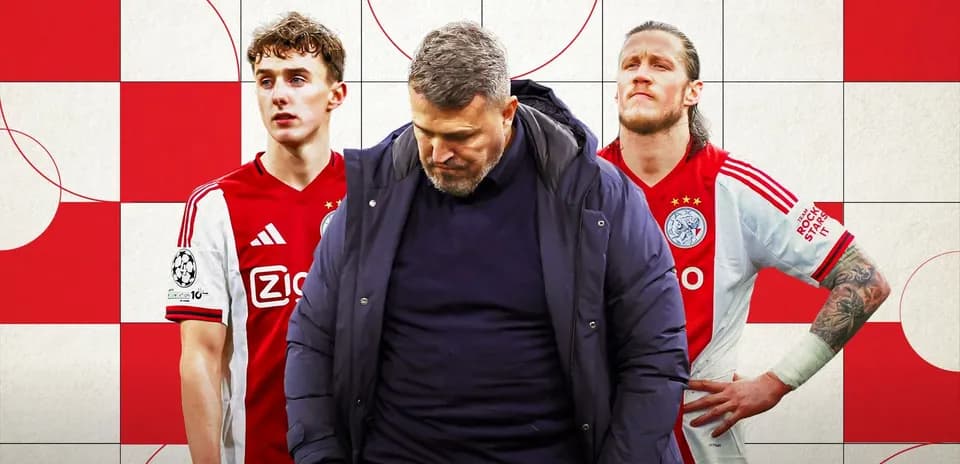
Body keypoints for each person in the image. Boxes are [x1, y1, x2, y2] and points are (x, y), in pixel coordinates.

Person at [285, 21, 689, 464]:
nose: (438, 154)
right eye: (425, 132)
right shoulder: (373, 195)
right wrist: (320, 454)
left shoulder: (596, 195)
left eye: (461, 136)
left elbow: (655, 354)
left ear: (508, 112)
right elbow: (312, 338)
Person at [598, 21, 891, 463]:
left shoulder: (735, 186)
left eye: (659, 64)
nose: (640, 74)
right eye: (629, 65)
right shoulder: (579, 184)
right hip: (596, 434)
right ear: (617, 89)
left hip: (697, 438)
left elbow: (864, 280)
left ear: (692, 91)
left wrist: (776, 383)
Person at [165, 12, 348, 464]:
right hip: (260, 453)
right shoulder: (215, 204)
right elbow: (200, 358)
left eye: (298, 78)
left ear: (335, 95)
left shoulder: (371, 194)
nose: (280, 95)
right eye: (266, 81)